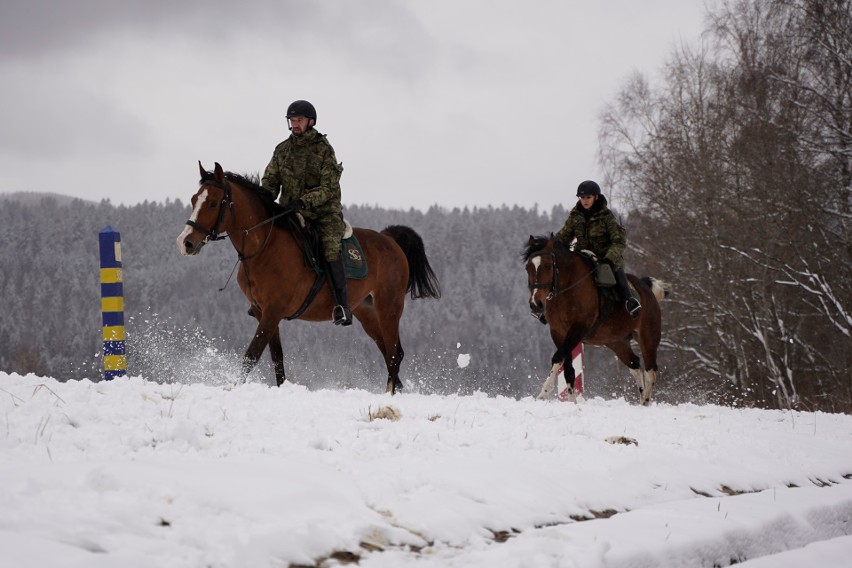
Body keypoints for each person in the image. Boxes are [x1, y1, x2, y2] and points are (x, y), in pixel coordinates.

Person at [261, 99, 352, 326]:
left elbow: (329, 188)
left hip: (323, 213)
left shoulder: (323, 149)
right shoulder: (282, 150)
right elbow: (271, 180)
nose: (294, 125)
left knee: (331, 246)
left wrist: (304, 201)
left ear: (310, 122)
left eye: (299, 120)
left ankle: (342, 306)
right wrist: (263, 198)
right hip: (290, 211)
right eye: (292, 121)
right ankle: (262, 297)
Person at [555, 180, 641, 319]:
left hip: (605, 258)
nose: (585, 201)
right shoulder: (575, 216)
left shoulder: (607, 216)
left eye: (588, 197)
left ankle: (629, 301)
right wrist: (551, 244)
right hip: (583, 256)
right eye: (582, 198)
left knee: (614, 272)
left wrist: (609, 258)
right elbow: (564, 236)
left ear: (596, 197)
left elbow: (619, 241)